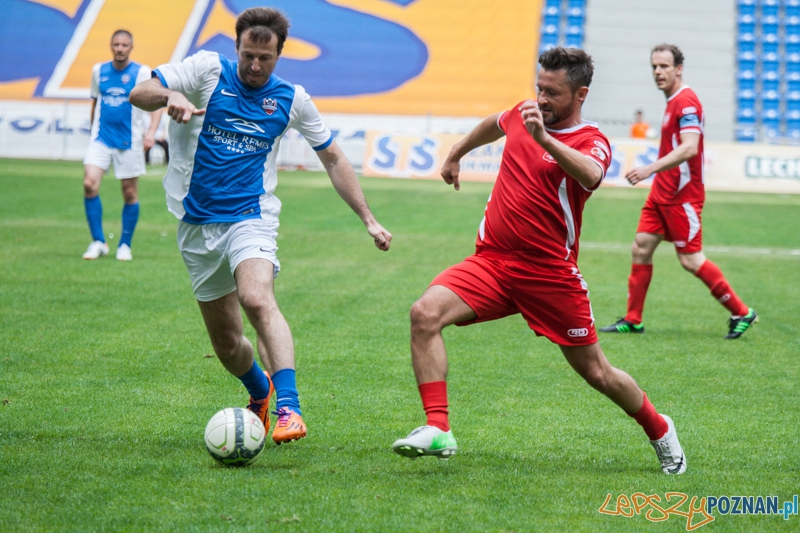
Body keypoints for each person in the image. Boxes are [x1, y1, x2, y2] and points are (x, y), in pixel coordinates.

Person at [391, 47, 686, 475]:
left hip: (549, 275)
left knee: (597, 372)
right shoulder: (522, 113)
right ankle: (438, 428)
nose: (541, 99)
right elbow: (494, 123)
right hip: (492, 262)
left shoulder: (591, 141)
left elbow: (591, 175)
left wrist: (544, 139)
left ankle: (660, 429)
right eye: (539, 89)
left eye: (552, 93)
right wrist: (457, 152)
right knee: (424, 313)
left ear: (580, 95)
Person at [129, 7, 392, 444]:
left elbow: (333, 158)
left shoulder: (292, 99)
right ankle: (260, 390)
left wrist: (368, 218)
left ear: (279, 55)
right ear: (236, 47)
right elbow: (140, 91)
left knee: (256, 297)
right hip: (196, 224)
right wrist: (169, 96)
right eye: (247, 55)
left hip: (251, 218)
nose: (254, 66)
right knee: (228, 346)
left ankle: (290, 408)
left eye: (264, 58)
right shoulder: (206, 70)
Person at [600, 44, 757, 339]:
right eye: (654, 67)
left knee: (690, 260)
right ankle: (633, 319)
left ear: (679, 68)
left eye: (664, 66)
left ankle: (741, 311)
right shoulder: (672, 101)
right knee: (641, 247)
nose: (658, 72)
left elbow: (689, 148)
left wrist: (650, 168)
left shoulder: (686, 103)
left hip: (681, 196)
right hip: (662, 193)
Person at [82, 30, 162, 261]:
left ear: (131, 47)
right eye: (116, 44)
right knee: (89, 184)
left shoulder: (141, 72)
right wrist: (92, 131)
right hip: (101, 139)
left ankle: (124, 245)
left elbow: (156, 104)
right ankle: (98, 242)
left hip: (130, 141)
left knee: (129, 193)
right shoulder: (99, 71)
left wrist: (151, 133)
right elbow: (95, 102)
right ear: (111, 46)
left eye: (124, 45)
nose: (120, 48)